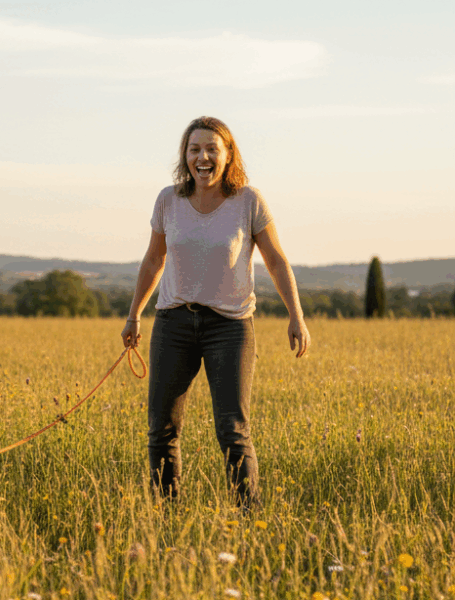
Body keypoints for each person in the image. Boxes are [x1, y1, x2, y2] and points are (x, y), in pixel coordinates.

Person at [121, 116, 310, 507]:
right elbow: (154, 259)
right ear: (185, 156)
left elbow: (276, 261)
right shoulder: (168, 200)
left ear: (228, 155)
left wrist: (296, 316)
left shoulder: (249, 201)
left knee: (232, 430)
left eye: (211, 149)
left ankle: (249, 518)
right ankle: (165, 516)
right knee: (161, 430)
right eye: (194, 150)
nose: (202, 157)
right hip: (173, 323)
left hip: (230, 327)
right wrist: (134, 314)